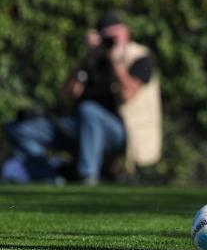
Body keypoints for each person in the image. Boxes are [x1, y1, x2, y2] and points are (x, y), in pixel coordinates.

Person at [3, 12, 162, 185]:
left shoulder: (140, 57)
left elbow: (127, 94)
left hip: (118, 132)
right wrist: (88, 58)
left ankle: (88, 178)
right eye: (107, 36)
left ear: (127, 32)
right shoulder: (93, 59)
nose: (112, 40)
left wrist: (115, 61)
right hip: (80, 126)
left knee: (89, 110)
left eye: (115, 34)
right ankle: (48, 178)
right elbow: (67, 95)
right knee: (17, 129)